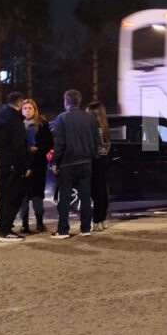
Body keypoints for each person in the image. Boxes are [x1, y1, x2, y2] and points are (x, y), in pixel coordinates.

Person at [51, 89, 100, 239]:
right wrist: (92, 155)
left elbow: (59, 143)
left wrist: (55, 162)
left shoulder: (62, 118)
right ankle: (85, 228)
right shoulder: (90, 118)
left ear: (66, 102)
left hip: (67, 163)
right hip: (86, 162)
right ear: (79, 101)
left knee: (64, 198)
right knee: (85, 197)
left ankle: (63, 230)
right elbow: (97, 141)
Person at [0, 92, 31, 242]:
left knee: (4, 197)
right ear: (20, 103)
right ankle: (6, 230)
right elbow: (19, 146)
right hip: (14, 165)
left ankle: (2, 226)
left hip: (3, 163)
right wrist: (26, 164)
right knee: (13, 197)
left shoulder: (1, 117)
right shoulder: (15, 120)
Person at [19, 98, 53, 234]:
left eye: (30, 108)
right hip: (23, 165)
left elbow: (49, 143)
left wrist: (38, 149)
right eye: (25, 108)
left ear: (35, 110)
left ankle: (39, 222)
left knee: (38, 195)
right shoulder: (18, 125)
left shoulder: (42, 124)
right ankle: (24, 224)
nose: (27, 111)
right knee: (23, 197)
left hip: (38, 165)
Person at [86, 101, 111, 231]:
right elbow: (107, 146)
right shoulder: (104, 126)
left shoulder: (94, 128)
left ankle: (96, 221)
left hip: (95, 162)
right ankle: (102, 219)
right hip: (104, 161)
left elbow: (93, 147)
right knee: (103, 193)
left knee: (96, 194)